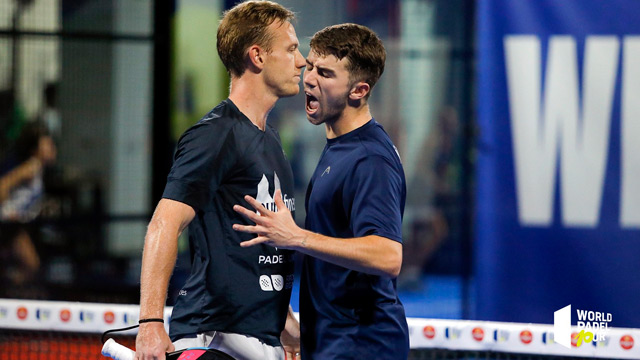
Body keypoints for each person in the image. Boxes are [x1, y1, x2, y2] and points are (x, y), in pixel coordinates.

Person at [134, 2, 305, 360]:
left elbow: (256, 249)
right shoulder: (214, 135)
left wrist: (283, 319)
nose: (301, 61)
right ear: (257, 56)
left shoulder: (270, 139)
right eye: (290, 49)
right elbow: (164, 224)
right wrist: (150, 323)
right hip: (214, 340)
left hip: (260, 339)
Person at [233, 23, 410, 359]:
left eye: (325, 73)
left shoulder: (370, 158)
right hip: (331, 342)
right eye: (311, 66)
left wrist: (295, 237)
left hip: (362, 347)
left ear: (358, 91)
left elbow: (388, 255)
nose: (310, 78)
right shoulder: (339, 146)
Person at [0, 121, 56, 296]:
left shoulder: (38, 169)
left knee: (30, 266)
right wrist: (8, 210)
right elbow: (3, 185)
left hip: (15, 225)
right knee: (32, 265)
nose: (52, 148)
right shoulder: (31, 167)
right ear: (35, 149)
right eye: (47, 144)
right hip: (7, 224)